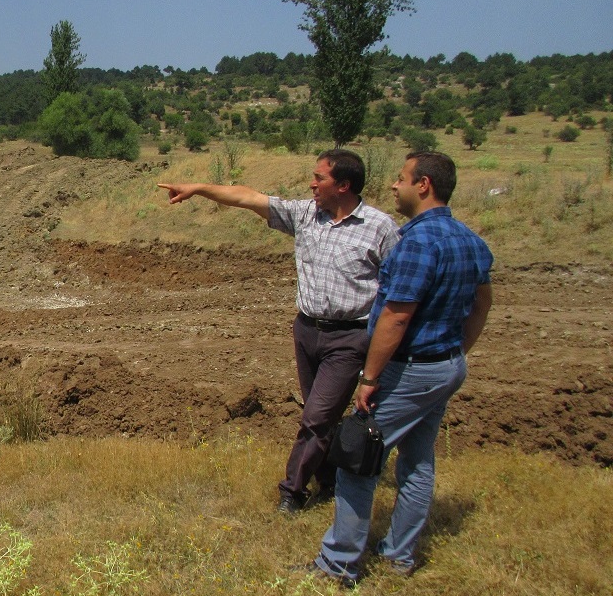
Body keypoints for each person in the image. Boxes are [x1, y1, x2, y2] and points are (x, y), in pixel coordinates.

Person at [159, 149, 398, 513]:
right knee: (322, 417)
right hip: (307, 331)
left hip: (350, 338)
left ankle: (293, 491)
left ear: (344, 185)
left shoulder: (381, 228)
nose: (311, 183)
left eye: (320, 178)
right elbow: (247, 197)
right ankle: (330, 482)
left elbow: (399, 289)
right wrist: (198, 188)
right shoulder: (305, 215)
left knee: (316, 418)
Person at [307, 151, 493, 587]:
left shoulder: (417, 243)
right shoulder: (470, 240)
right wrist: (456, 352)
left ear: (424, 185)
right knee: (417, 461)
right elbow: (482, 305)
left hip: (409, 371)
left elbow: (396, 316)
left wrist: (370, 379)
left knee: (358, 458)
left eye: (401, 178)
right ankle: (398, 556)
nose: (393, 185)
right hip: (446, 366)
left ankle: (339, 565)